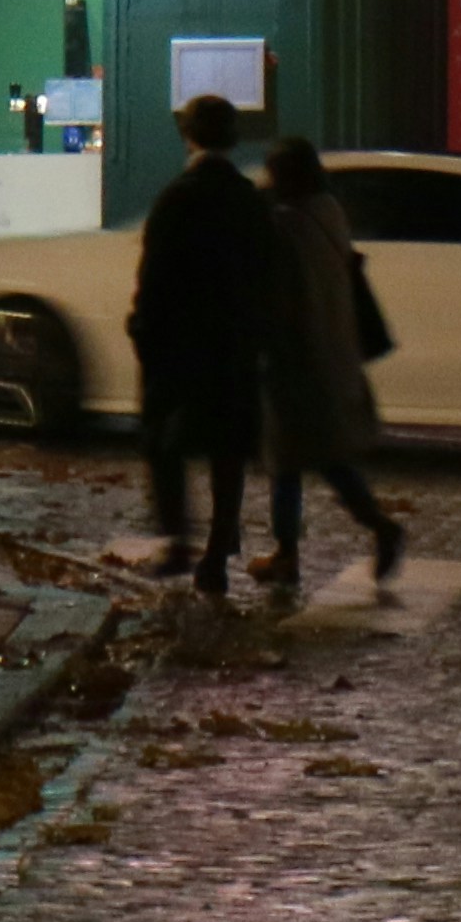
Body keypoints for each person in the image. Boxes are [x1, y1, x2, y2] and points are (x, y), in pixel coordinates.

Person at [127, 92, 277, 590]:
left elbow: (157, 277)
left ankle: (178, 538)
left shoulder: (178, 196)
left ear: (187, 135)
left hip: (183, 344)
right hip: (234, 342)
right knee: (227, 448)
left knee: (164, 439)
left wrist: (145, 330)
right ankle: (217, 546)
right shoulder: (248, 199)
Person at [253, 137, 407, 599]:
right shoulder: (330, 213)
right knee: (323, 460)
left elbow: (280, 299)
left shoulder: (287, 225)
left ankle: (292, 552)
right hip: (334, 353)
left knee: (289, 461)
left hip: (298, 362)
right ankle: (371, 528)